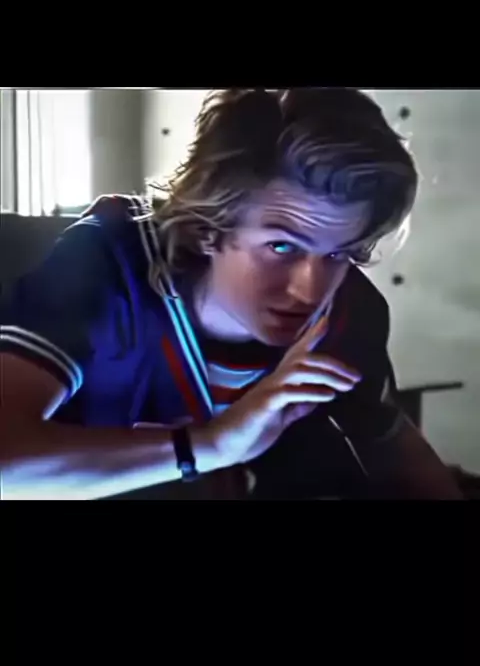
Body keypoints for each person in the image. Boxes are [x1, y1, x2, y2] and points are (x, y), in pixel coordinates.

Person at [0, 88, 462, 500]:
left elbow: (392, 442)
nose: (310, 289)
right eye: (281, 247)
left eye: (338, 253)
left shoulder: (346, 308)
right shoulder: (109, 262)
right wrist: (213, 445)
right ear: (209, 227)